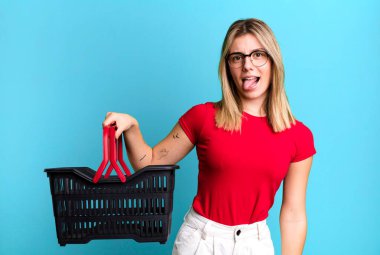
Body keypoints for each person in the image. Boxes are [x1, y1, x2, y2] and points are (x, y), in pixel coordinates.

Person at [103, 18, 316, 255]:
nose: (248, 65)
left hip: (255, 245)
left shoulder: (299, 136)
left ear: (273, 61)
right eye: (237, 57)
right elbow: (149, 162)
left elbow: (294, 214)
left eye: (258, 54)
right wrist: (132, 127)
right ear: (228, 67)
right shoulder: (202, 117)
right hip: (200, 241)